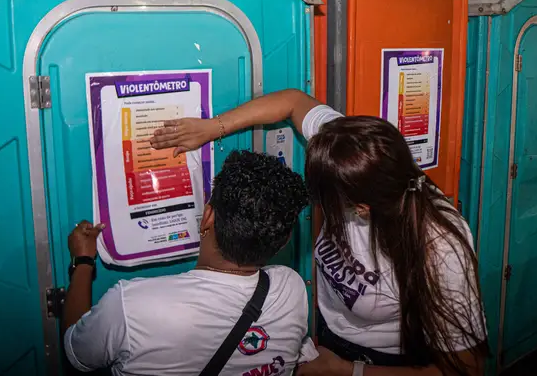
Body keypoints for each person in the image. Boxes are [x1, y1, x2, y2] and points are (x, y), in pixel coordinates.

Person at [150, 90, 488, 376]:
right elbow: (293, 102)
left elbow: (466, 367)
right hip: (330, 338)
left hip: (387, 363)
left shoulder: (441, 246)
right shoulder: (348, 151)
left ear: (360, 208)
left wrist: (348, 370)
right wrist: (212, 127)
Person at [63, 150, 317, 375]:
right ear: (283, 243)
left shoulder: (130, 306)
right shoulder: (290, 289)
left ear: (207, 217)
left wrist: (83, 261)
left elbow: (76, 353)